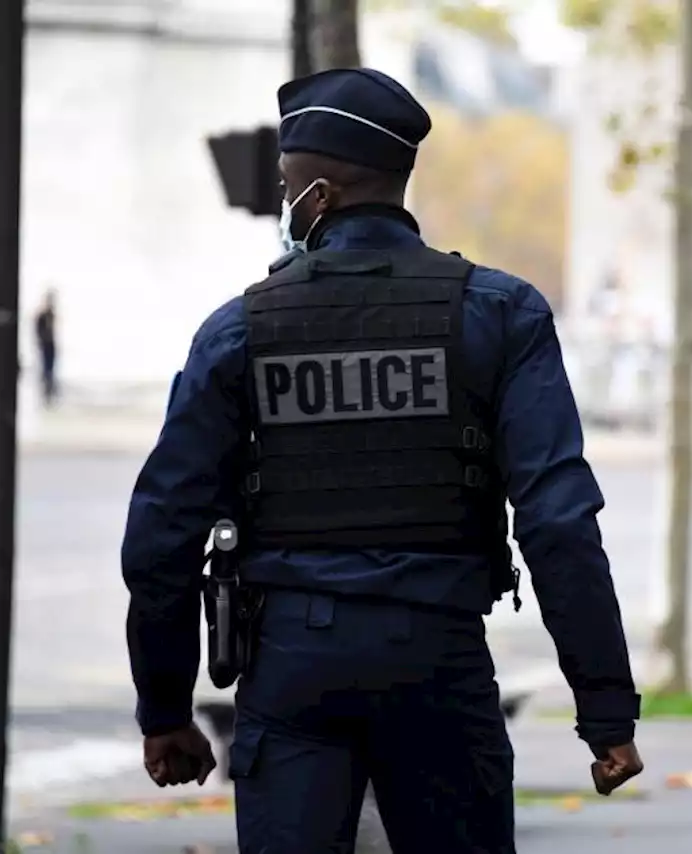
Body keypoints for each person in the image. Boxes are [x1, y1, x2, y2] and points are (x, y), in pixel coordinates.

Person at [122, 67, 642, 853]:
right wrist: (605, 709)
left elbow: (162, 534)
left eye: (288, 185)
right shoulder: (499, 313)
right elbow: (560, 522)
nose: (286, 202)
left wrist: (165, 712)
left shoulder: (239, 332)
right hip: (438, 661)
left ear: (320, 194)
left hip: (293, 668)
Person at [33, 288, 58, 407]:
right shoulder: (42, 315)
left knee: (50, 370)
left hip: (50, 345)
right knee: (45, 370)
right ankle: (45, 396)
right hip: (45, 345)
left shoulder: (51, 314)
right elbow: (38, 331)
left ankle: (49, 395)